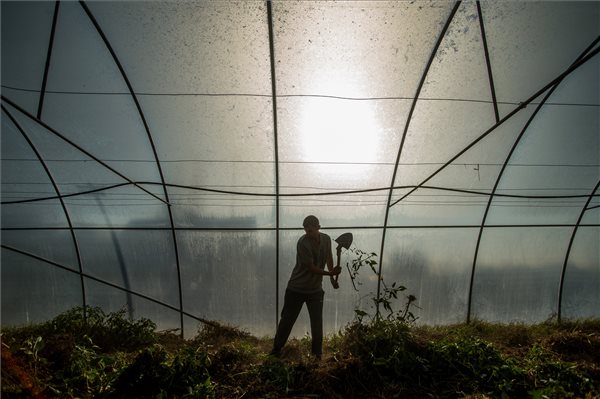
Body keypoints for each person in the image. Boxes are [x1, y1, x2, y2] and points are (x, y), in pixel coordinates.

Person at [271, 215, 342, 360]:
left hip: (315, 290)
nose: (308, 233)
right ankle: (276, 350)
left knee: (317, 322)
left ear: (318, 228)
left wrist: (332, 279)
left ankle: (317, 354)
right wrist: (330, 273)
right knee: (287, 321)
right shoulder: (303, 243)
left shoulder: (327, 239)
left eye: (311, 230)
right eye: (306, 230)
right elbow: (311, 268)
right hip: (296, 289)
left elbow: (329, 257)